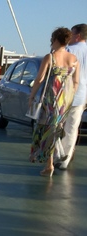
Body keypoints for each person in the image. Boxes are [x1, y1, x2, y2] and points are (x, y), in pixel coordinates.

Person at [29, 27, 79, 177]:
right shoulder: (74, 59)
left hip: (51, 98)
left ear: (56, 40)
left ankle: (49, 164)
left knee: (47, 129)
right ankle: (57, 155)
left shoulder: (50, 57)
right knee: (57, 129)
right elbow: (76, 81)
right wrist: (69, 96)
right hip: (66, 100)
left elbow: (39, 79)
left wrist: (32, 95)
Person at [57, 23, 86, 170]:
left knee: (58, 126)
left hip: (64, 94)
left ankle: (57, 155)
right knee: (72, 129)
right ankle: (65, 161)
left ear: (78, 35)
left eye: (72, 34)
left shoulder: (68, 50)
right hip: (82, 95)